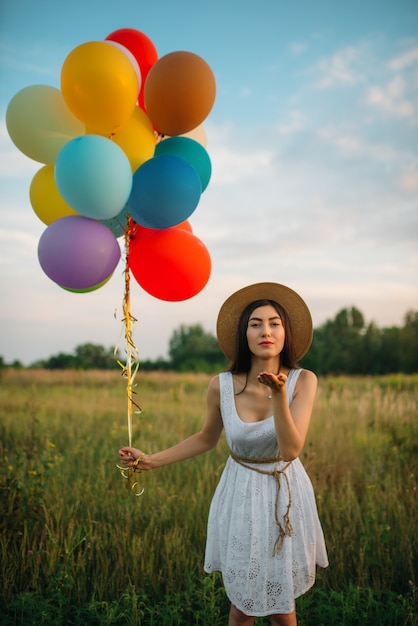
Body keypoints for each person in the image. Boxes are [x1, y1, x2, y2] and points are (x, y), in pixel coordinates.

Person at [119, 282, 328, 625]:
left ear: (286, 333)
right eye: (255, 324)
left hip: (285, 493)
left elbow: (290, 449)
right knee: (244, 602)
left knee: (280, 602)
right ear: (243, 334)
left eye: (274, 323)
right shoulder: (221, 385)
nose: (266, 331)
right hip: (241, 494)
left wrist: (278, 396)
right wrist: (151, 460)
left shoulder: (303, 381)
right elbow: (206, 438)